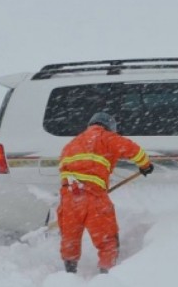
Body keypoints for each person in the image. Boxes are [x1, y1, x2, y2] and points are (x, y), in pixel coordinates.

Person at [57, 112, 154, 274]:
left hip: (70, 198)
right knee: (107, 240)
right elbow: (134, 150)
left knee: (70, 239)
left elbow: (66, 170)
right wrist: (145, 165)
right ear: (109, 127)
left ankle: (69, 273)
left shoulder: (70, 145)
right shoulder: (106, 137)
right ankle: (106, 276)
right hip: (94, 198)